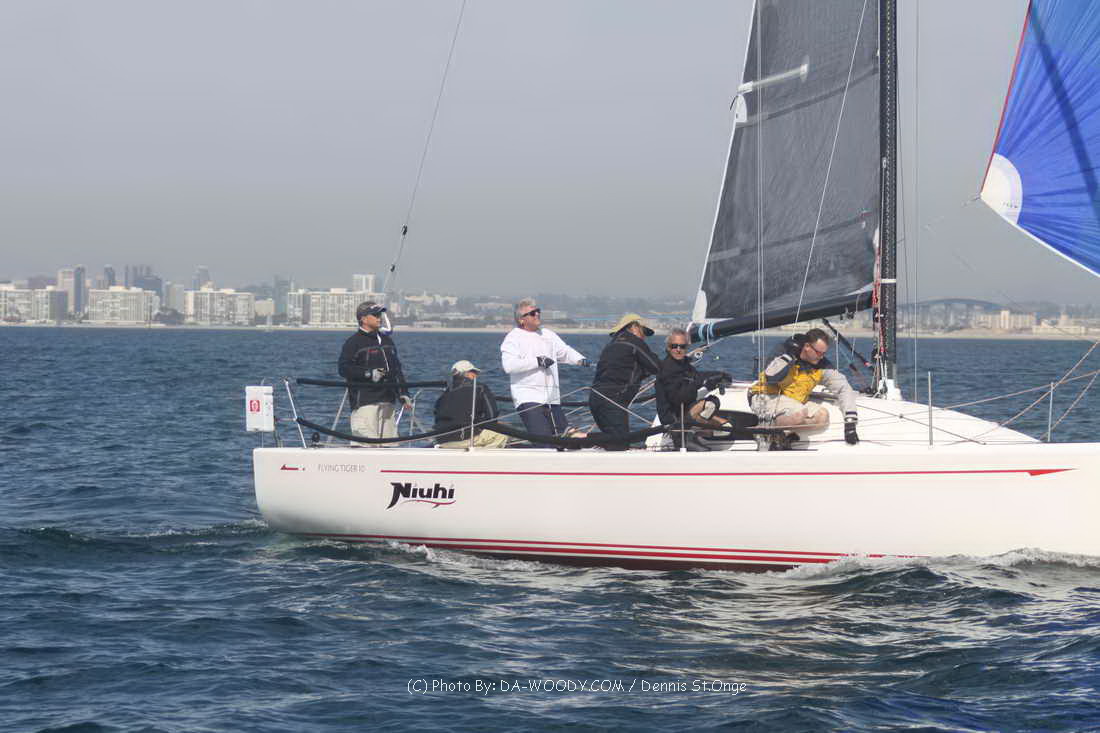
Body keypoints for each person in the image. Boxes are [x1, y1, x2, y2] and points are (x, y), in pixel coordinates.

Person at [749, 327, 859, 449]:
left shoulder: (821, 365)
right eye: (818, 353)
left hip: (794, 402)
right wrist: (790, 356)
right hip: (766, 396)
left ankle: (784, 434)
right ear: (807, 346)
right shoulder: (784, 352)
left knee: (823, 416)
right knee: (799, 413)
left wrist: (850, 422)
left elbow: (843, 388)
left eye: (824, 353)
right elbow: (771, 376)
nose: (821, 357)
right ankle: (762, 430)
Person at [501, 298, 588, 439]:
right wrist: (538, 361)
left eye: (538, 311)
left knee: (565, 437)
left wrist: (580, 359)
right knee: (543, 439)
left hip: (552, 398)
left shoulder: (547, 334)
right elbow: (509, 365)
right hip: (528, 397)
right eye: (532, 313)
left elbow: (564, 351)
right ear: (522, 320)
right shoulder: (513, 338)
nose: (537, 314)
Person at [337, 301, 412, 444]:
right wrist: (369, 373)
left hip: (388, 401)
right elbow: (343, 368)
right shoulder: (353, 342)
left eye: (380, 314)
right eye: (375, 315)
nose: (379, 318)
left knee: (391, 445)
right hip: (365, 403)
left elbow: (396, 369)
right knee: (366, 445)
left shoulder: (387, 340)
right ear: (363, 319)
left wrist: (403, 393)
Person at [588, 313, 662, 450]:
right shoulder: (634, 342)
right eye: (643, 331)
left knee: (612, 440)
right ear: (634, 327)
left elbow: (625, 370)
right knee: (620, 443)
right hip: (613, 401)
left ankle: (579, 439)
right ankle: (578, 437)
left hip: (596, 399)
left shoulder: (611, 345)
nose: (644, 337)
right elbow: (656, 367)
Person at [655, 328, 734, 446]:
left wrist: (719, 375)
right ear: (668, 347)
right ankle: (690, 434)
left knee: (726, 427)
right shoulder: (667, 369)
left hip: (685, 412)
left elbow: (697, 376)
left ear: (686, 347)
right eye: (674, 346)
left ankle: (695, 434)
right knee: (710, 404)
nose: (678, 350)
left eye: (682, 346)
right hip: (673, 421)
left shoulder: (684, 365)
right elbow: (678, 398)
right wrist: (702, 384)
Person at [433, 360, 509, 449]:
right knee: (502, 434)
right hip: (465, 438)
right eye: (474, 372)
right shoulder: (480, 388)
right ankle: (482, 455)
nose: (476, 375)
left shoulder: (443, 395)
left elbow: (437, 417)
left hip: (441, 439)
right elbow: (492, 416)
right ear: (468, 373)